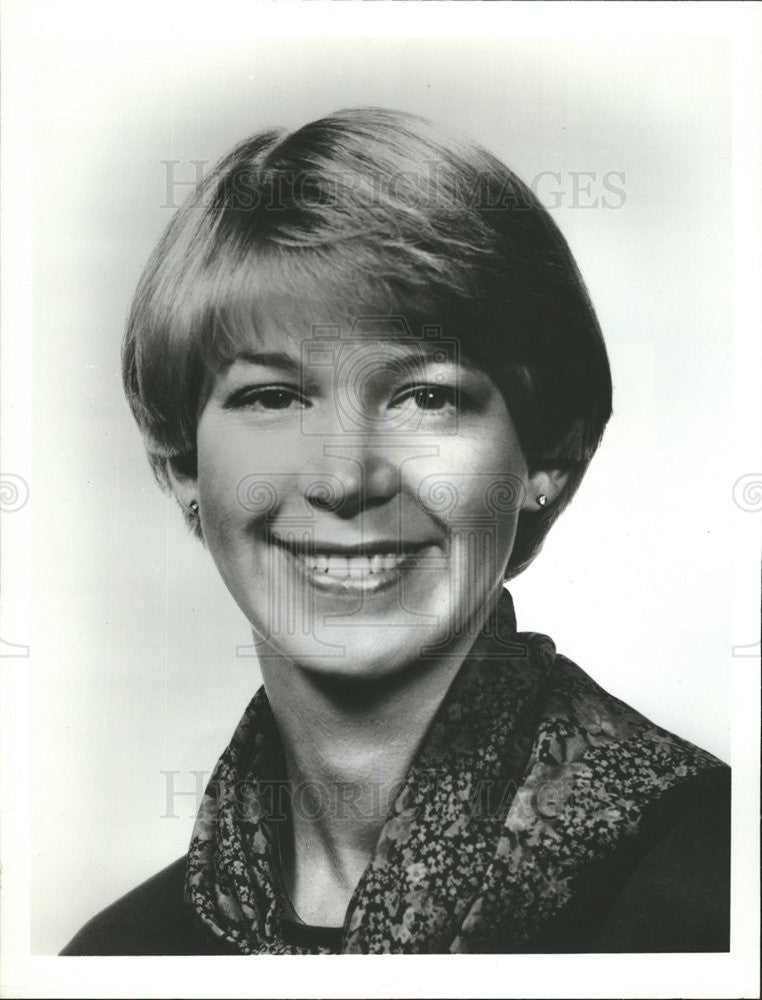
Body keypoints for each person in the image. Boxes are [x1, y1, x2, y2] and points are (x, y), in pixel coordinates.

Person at [62, 108, 729, 955]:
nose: (345, 479)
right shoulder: (121, 956)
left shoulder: (719, 895)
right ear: (184, 469)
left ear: (547, 454)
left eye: (427, 397)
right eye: (273, 397)